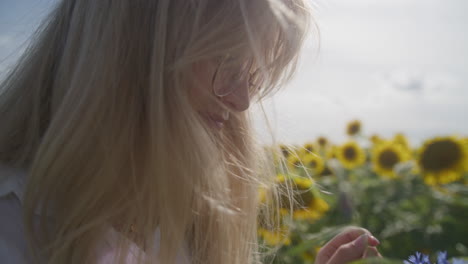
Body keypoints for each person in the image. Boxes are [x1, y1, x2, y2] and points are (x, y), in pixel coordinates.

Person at [0, 0, 382, 263]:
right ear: (132, 53)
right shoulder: (14, 234)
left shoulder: (171, 213)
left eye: (250, 72)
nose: (242, 101)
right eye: (227, 61)